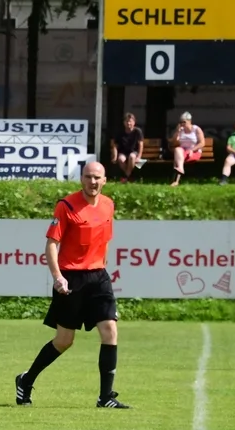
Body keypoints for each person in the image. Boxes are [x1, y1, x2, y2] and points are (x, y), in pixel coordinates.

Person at [15, 161, 128, 409]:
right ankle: (26, 380)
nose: (92, 182)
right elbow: (51, 244)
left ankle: (105, 397)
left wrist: (102, 266)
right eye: (88, 177)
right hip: (71, 278)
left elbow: (106, 240)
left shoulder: (108, 205)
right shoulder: (66, 206)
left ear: (105, 180)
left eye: (97, 177)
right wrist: (58, 276)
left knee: (110, 330)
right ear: (81, 179)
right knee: (64, 340)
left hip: (98, 277)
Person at [170, 112, 205, 187]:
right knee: (177, 150)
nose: (182, 124)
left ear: (189, 121)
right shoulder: (181, 130)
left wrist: (192, 150)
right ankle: (180, 169)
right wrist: (177, 132)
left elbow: (202, 143)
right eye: (180, 122)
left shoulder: (196, 129)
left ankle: (175, 181)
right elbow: (173, 143)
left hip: (194, 152)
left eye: (184, 122)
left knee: (178, 158)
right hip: (182, 152)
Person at [111, 112, 145, 183]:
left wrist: (139, 157)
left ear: (134, 122)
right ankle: (130, 176)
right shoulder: (120, 132)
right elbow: (115, 146)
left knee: (132, 157)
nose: (128, 123)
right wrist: (115, 156)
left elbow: (141, 145)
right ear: (124, 123)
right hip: (123, 152)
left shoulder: (138, 131)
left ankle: (126, 177)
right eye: (127, 121)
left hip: (134, 152)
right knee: (120, 159)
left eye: (130, 121)